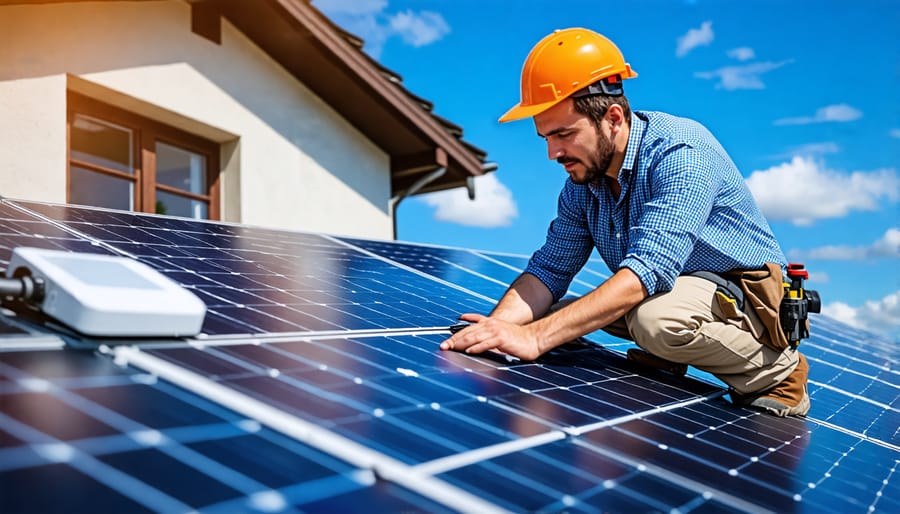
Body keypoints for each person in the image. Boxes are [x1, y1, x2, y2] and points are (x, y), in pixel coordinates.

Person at [440, 28, 810, 417]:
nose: (553, 153)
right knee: (549, 314)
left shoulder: (682, 153)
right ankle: (665, 352)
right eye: (545, 138)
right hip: (678, 293)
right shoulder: (584, 183)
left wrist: (532, 339)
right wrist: (499, 329)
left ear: (613, 118)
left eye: (564, 134)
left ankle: (779, 373)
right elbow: (549, 269)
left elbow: (648, 271)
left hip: (746, 299)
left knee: (655, 321)